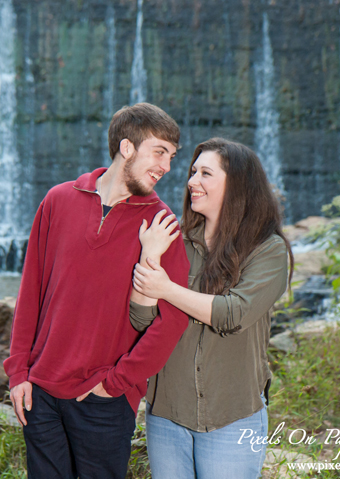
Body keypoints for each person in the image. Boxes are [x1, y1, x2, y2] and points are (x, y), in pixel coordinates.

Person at [3, 103, 191, 479]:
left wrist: (117, 384)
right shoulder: (58, 200)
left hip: (104, 398)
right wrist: (19, 372)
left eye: (171, 156)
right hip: (40, 389)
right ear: (127, 148)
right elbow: (31, 292)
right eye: (159, 152)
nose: (166, 166)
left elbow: (174, 319)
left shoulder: (162, 224)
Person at [130, 138, 293, 479]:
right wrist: (150, 255)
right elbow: (142, 322)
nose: (191, 181)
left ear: (237, 185)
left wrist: (166, 289)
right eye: (192, 172)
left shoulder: (268, 250)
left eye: (205, 173)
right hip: (166, 415)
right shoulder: (172, 239)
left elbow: (233, 313)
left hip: (231, 416)